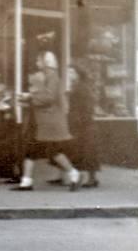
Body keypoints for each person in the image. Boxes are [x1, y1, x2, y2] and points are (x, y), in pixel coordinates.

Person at [12, 50, 81, 191]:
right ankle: (27, 181)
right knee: (44, 151)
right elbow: (44, 96)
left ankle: (28, 181)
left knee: (44, 150)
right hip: (44, 121)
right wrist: (29, 97)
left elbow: (49, 98)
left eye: (39, 60)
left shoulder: (52, 78)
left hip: (47, 122)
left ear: (46, 62)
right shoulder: (49, 77)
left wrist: (29, 97)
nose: (37, 63)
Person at [65, 62, 100, 188]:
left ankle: (89, 178)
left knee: (86, 150)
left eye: (72, 72)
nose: (69, 74)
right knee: (87, 151)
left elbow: (87, 106)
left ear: (78, 74)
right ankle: (91, 178)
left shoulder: (81, 87)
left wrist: (78, 119)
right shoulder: (79, 86)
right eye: (68, 72)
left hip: (83, 124)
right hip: (84, 123)